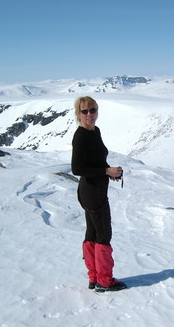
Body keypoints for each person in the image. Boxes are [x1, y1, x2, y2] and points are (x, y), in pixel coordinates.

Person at [71, 96, 126, 292]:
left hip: (94, 189)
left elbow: (95, 161)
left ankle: (94, 277)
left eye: (92, 110)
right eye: (84, 111)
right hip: (91, 191)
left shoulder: (95, 131)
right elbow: (77, 168)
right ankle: (105, 280)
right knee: (104, 233)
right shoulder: (81, 136)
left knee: (93, 232)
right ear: (78, 114)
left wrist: (109, 171)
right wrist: (105, 172)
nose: (89, 115)